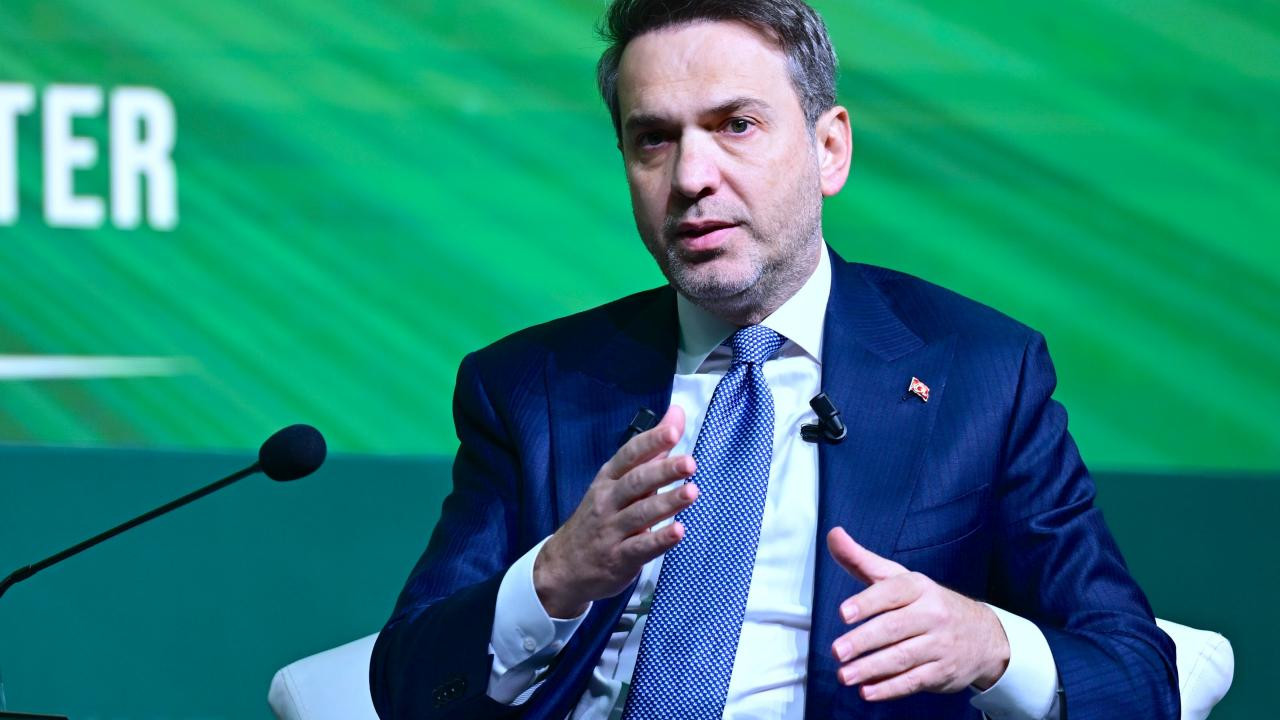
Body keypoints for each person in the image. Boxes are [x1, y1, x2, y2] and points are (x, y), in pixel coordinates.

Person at [369, 1, 1179, 718]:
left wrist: (990, 644)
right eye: (653, 139)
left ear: (830, 149)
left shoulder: (981, 375)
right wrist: (555, 576)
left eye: (736, 125)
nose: (691, 177)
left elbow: (1137, 678)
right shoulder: (530, 387)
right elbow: (406, 684)